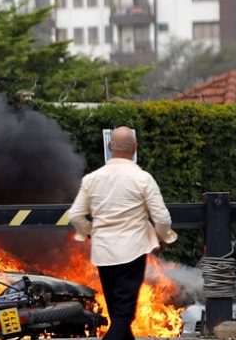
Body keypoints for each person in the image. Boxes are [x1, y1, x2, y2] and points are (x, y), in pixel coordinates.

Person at [67, 126, 177, 340]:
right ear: (135, 148)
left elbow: (76, 216)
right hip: (132, 252)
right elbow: (162, 218)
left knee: (119, 315)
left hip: (104, 254)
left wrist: (90, 233)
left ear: (110, 147)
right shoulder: (143, 179)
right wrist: (164, 238)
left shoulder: (92, 179)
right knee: (122, 319)